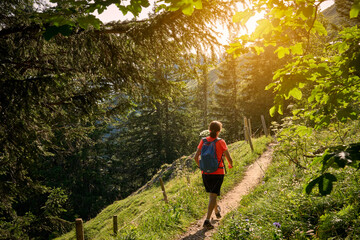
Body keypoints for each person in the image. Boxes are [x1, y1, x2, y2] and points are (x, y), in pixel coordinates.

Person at [194, 121, 233, 229]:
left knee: (212, 194)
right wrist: (230, 164)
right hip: (218, 172)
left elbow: (195, 157)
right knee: (213, 195)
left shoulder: (203, 141)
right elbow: (228, 157)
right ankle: (207, 220)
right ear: (219, 131)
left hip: (205, 173)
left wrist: (201, 167)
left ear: (209, 130)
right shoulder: (221, 142)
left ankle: (216, 211)